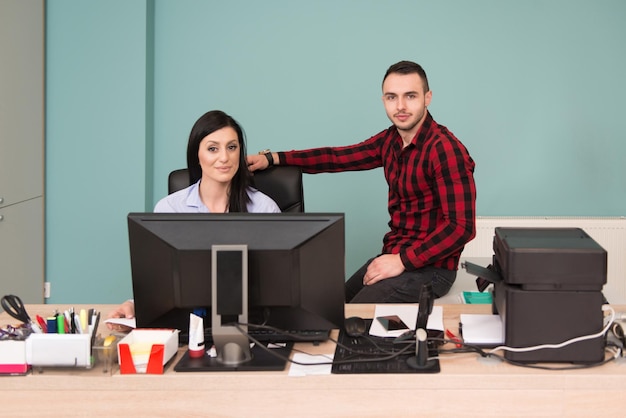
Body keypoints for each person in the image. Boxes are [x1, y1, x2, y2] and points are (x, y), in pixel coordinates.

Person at [247, 60, 476, 303]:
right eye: (391, 97)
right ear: (383, 100)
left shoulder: (446, 150)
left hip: (432, 270)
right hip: (395, 256)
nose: (400, 106)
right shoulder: (391, 141)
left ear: (427, 97)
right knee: (331, 308)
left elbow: (461, 227)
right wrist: (274, 158)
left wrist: (401, 260)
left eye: (410, 96)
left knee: (350, 321)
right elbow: (336, 158)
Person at [107, 110, 280, 328]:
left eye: (232, 147)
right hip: (187, 328)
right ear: (197, 154)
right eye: (212, 148)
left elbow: (278, 285)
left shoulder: (264, 208)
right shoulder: (170, 209)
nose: (224, 157)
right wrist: (136, 306)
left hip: (252, 327)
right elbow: (160, 282)